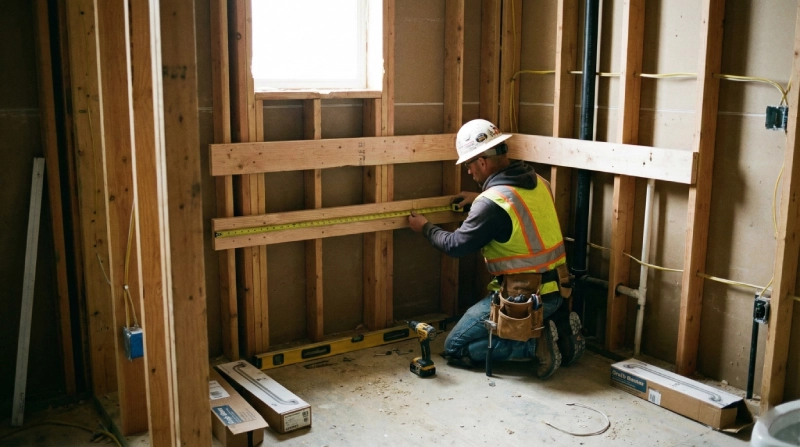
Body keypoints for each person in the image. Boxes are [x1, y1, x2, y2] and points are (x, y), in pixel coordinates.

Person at [407, 119, 584, 379]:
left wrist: (424, 227)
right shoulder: (537, 181)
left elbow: (455, 246)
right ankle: (557, 327)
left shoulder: (492, 204)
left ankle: (536, 344)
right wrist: (478, 198)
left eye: (469, 164)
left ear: (482, 161)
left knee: (454, 348)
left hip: (522, 300)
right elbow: (514, 212)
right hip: (559, 291)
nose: (469, 172)